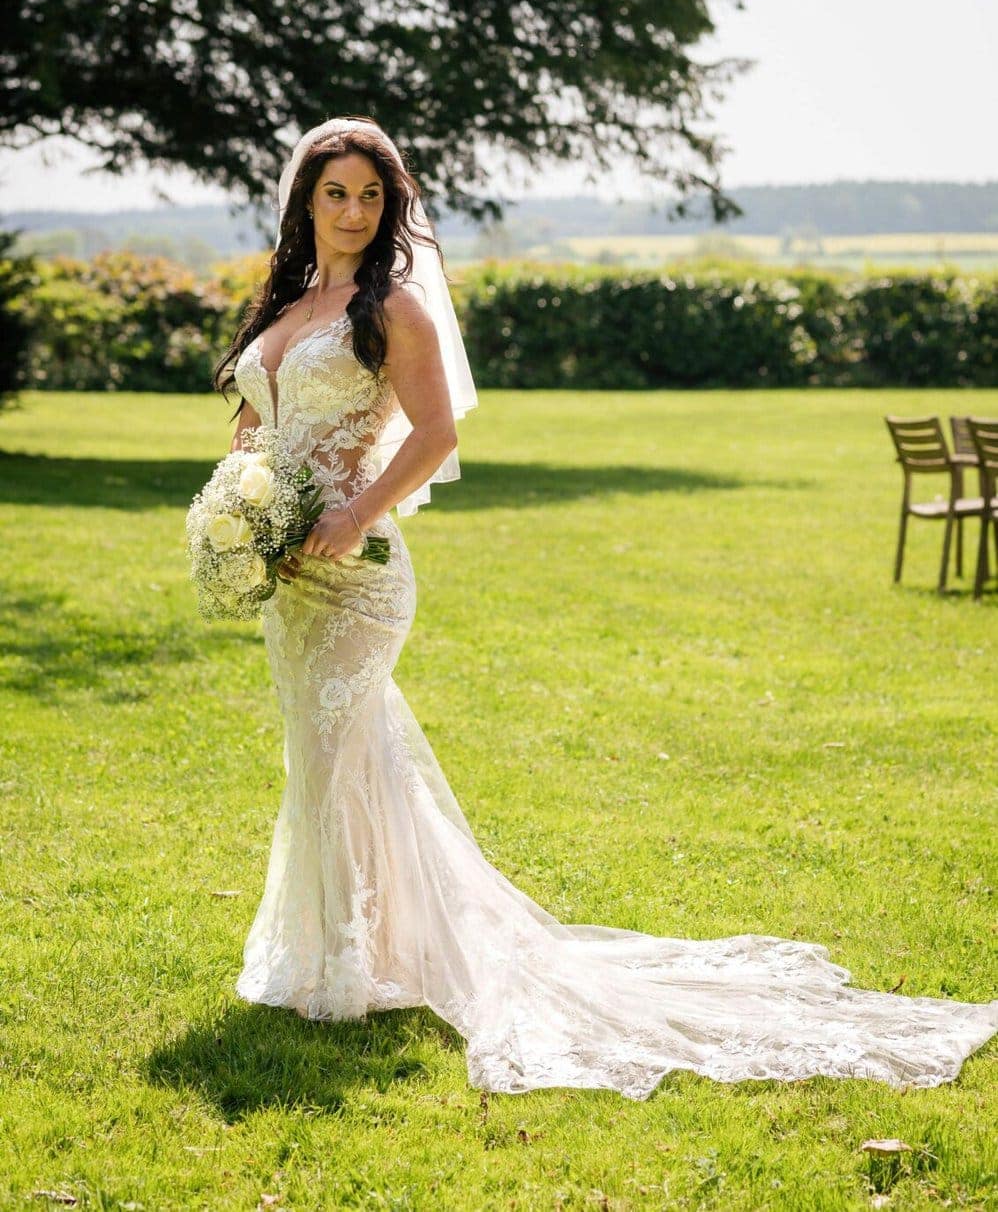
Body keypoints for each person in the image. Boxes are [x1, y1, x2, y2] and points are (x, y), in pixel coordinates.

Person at [214, 115, 997, 1099]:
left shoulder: (392, 307)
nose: (354, 212)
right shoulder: (288, 303)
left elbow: (435, 432)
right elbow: (256, 420)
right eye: (336, 194)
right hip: (288, 574)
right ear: (304, 200)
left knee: (336, 754)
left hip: (358, 569)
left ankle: (338, 972)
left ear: (389, 205)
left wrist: (351, 513)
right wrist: (244, 515)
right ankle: (361, 950)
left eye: (372, 196)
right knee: (330, 754)